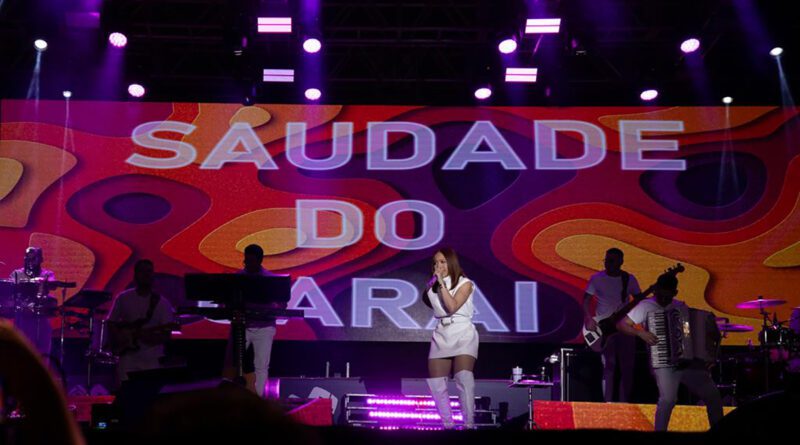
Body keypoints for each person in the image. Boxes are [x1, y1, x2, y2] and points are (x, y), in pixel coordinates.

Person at [617, 272, 723, 431]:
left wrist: (707, 349)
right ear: (656, 291)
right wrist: (640, 333)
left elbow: (695, 332)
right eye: (660, 295)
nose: (663, 300)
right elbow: (622, 324)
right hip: (663, 362)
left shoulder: (681, 307)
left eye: (668, 296)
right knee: (668, 399)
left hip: (688, 362)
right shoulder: (646, 306)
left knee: (713, 396)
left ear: (675, 293)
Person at [583, 247, 650, 402]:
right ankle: (608, 403)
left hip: (625, 328)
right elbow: (586, 300)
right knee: (609, 366)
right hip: (604, 329)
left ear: (621, 262)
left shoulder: (629, 279)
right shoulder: (597, 278)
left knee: (627, 367)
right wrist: (588, 318)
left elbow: (639, 300)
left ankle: (624, 404)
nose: (607, 263)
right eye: (606, 260)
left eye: (611, 260)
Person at [422, 247, 477, 429]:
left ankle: (469, 425)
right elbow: (436, 307)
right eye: (435, 263)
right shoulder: (432, 286)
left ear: (451, 263)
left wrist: (441, 284)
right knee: (437, 384)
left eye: (443, 262)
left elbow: (452, 307)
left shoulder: (465, 283)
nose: (438, 266)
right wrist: (435, 284)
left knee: (463, 378)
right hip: (441, 331)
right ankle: (447, 426)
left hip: (462, 330)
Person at [224, 244, 285, 398]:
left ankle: (257, 399)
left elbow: (282, 304)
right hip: (242, 326)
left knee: (261, 366)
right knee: (232, 363)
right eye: (246, 260)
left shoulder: (270, 279)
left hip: (264, 327)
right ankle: (231, 398)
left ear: (259, 260)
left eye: (252, 261)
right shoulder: (237, 278)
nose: (248, 264)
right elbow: (228, 302)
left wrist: (275, 305)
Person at [107, 259, 175, 382]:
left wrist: (148, 337)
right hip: (127, 358)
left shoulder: (162, 303)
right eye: (142, 271)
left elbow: (166, 335)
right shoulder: (123, 298)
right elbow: (111, 322)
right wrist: (120, 337)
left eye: (149, 271)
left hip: (152, 359)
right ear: (135, 275)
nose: (145, 275)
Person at [8, 247, 57, 359]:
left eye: (33, 258)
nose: (30, 261)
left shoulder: (47, 274)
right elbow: (10, 289)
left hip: (41, 317)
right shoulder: (17, 274)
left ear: (41, 259)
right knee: (20, 350)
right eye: (27, 258)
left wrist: (42, 282)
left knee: (43, 351)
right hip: (22, 317)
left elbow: (53, 284)